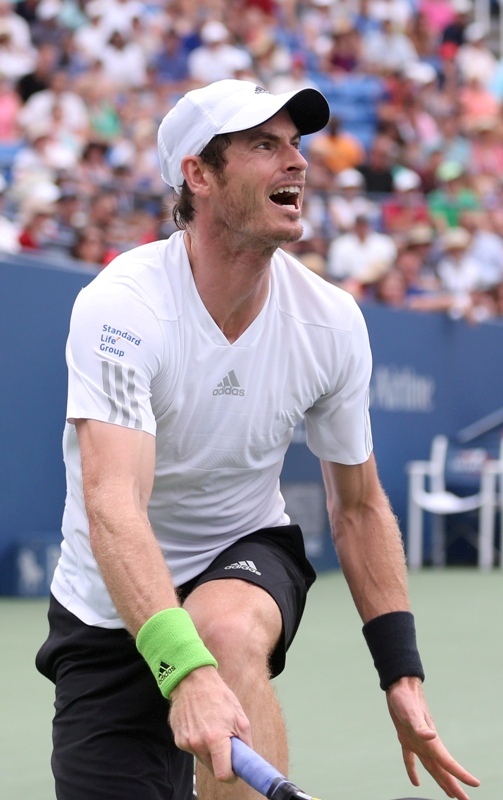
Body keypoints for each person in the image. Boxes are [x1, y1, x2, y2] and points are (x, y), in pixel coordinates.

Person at [35, 78, 480, 800]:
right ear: (199, 174)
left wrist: (400, 674)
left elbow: (359, 507)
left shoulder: (331, 321)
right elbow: (114, 504)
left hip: (239, 552)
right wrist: (183, 671)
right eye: (264, 145)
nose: (296, 161)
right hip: (107, 606)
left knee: (226, 631)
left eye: (295, 144)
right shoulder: (121, 306)